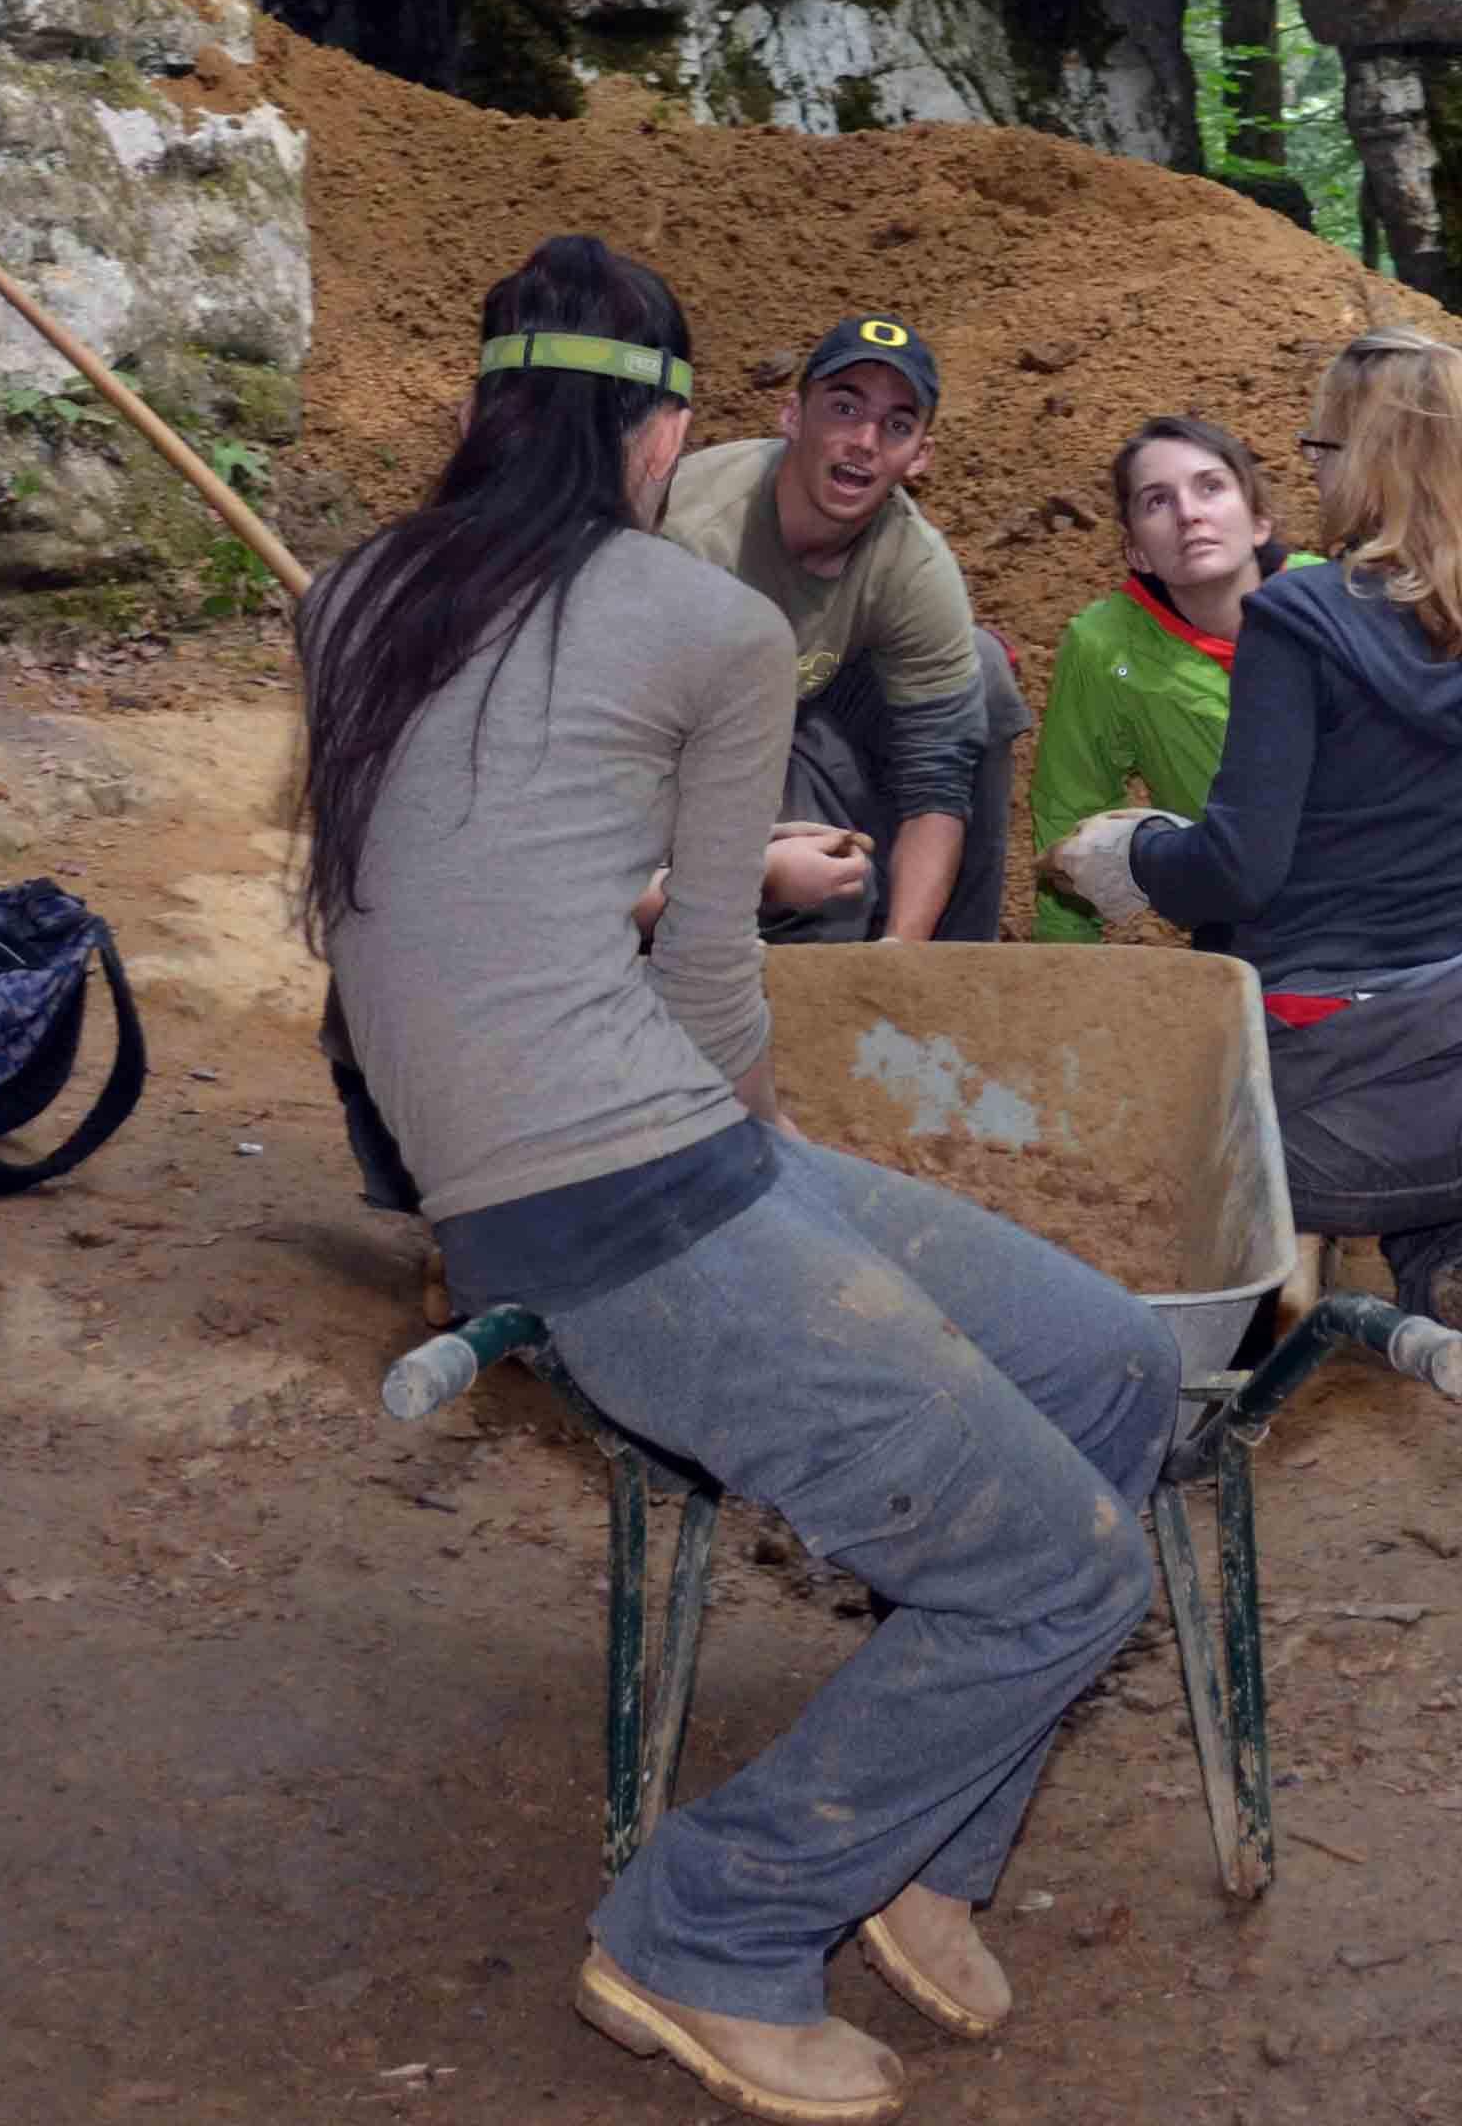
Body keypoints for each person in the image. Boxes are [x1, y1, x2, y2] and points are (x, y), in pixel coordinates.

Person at [299, 236, 1173, 2126]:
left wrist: (770, 1180)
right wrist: (761, 1192)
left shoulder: (345, 590)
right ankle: (707, 1922)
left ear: (478, 408)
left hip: (608, 1161)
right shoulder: (706, 629)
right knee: (1063, 1574)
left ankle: (924, 1847)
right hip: (627, 1186)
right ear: (673, 427)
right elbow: (708, 973)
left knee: (1112, 1358)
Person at [1043, 331, 1462, 1377]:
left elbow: (1243, 869)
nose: (1312, 467)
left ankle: (1282, 1305)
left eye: (1324, 444)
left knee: (1169, 1144)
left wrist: (1140, 850)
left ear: (1376, 458)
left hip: (1345, 1116)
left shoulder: (1296, 617)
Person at [658, 315, 1030, 944]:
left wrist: (897, 957)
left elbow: (936, 780)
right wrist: (763, 872)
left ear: (919, 457)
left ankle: (956, 969)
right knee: (827, 902)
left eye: (897, 426)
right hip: (689, 735)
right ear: (793, 418)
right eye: (844, 408)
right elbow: (643, 748)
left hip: (811, 697)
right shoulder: (696, 537)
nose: (865, 440)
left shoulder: (913, 562)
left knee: (983, 671)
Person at [1025, 415, 1316, 943]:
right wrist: (1065, 979)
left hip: (1383, 903)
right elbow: (1069, 817)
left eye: (1211, 487)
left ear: (1258, 521)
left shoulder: (1333, 602)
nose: (1189, 514)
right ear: (1135, 551)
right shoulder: (1106, 648)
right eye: (1157, 501)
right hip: (1247, 927)